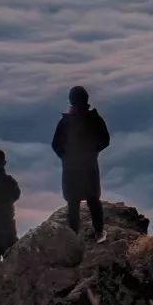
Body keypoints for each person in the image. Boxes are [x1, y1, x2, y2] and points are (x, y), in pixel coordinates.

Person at [51, 86, 110, 242]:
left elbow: (55, 145)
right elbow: (105, 140)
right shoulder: (95, 119)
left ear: (71, 101)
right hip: (89, 166)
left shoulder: (65, 122)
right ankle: (99, 232)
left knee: (73, 202)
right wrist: (93, 151)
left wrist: (65, 157)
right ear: (86, 100)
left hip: (71, 169)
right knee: (93, 200)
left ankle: (73, 236)